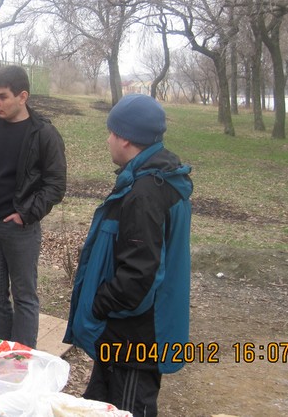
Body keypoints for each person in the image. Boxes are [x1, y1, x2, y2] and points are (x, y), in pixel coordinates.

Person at [63, 94, 193, 416]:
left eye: (111, 132)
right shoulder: (151, 180)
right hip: (122, 337)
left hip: (135, 341)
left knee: (130, 409)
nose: (107, 139)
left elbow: (139, 277)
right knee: (98, 405)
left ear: (125, 138)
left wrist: (99, 305)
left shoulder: (145, 193)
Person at [0, 65, 67, 349]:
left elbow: (56, 183)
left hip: (19, 229)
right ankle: (4, 354)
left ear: (22, 96)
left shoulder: (43, 133)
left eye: (2, 96)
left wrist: (25, 214)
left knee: (24, 297)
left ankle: (23, 360)